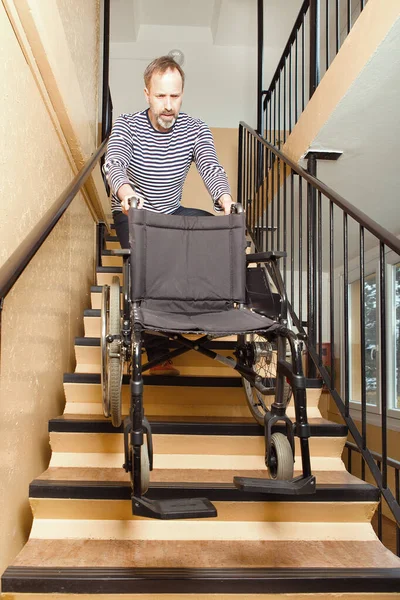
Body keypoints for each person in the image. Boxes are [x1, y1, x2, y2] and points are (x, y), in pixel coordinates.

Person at [104, 55, 234, 375]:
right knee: (146, 263)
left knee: (214, 232)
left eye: (174, 96)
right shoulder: (127, 124)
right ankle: (159, 355)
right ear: (146, 94)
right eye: (160, 96)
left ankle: (204, 315)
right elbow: (114, 162)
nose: (168, 105)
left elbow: (210, 167)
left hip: (172, 210)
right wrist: (126, 192)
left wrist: (226, 200)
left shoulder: (195, 128)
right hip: (134, 213)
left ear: (182, 94)